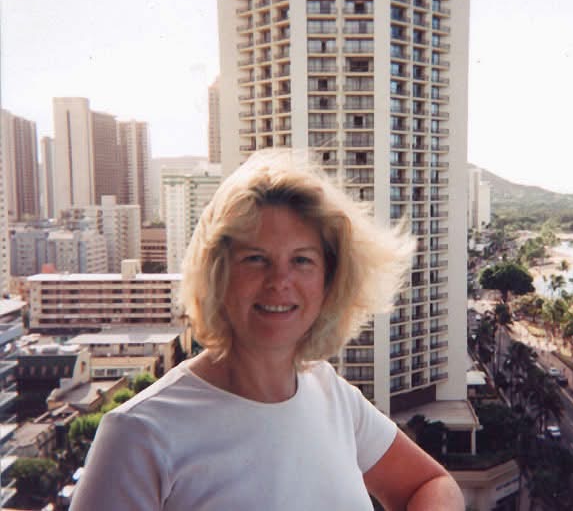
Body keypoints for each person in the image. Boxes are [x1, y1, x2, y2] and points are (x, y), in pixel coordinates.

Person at [71, 150, 465, 510]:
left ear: (329, 280)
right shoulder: (139, 434)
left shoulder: (330, 394)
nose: (280, 281)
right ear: (218, 275)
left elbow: (431, 483)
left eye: (302, 260)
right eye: (256, 259)